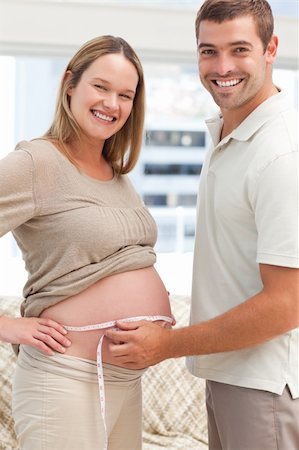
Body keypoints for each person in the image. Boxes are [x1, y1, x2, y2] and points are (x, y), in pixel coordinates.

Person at [105, 1, 299, 449]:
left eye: (239, 49)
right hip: (230, 376)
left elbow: (287, 303)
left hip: (264, 386)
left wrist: (166, 345)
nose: (222, 66)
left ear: (271, 49)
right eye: (208, 51)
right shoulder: (228, 135)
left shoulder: (281, 155)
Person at [0, 35, 174, 450]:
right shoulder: (36, 163)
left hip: (124, 381)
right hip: (64, 378)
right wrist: (6, 326)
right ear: (70, 84)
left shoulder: (117, 175)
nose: (112, 104)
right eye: (101, 87)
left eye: (125, 95)